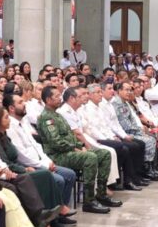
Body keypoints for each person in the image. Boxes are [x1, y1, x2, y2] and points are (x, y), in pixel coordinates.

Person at [37, 86, 117, 214]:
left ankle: (101, 194)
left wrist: (79, 146)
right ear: (48, 99)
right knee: (90, 157)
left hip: (70, 151)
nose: (59, 98)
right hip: (58, 155)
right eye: (56, 96)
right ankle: (89, 201)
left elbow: (70, 136)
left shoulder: (57, 115)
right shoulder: (47, 118)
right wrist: (75, 148)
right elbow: (56, 142)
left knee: (104, 154)